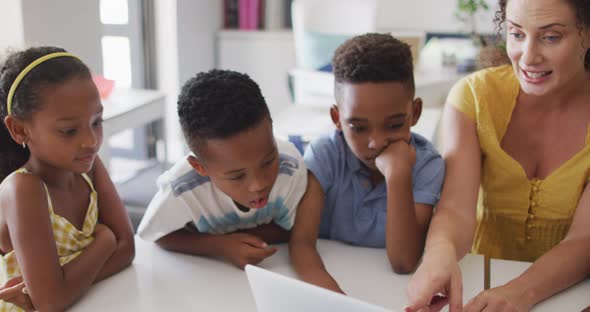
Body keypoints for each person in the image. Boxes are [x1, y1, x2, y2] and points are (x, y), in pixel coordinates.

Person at [406, 0, 590, 311]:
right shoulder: (474, 97)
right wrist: (440, 254)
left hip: (568, 296)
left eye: (551, 37)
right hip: (480, 281)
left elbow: (584, 238)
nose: (527, 56)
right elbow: (455, 209)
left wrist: (521, 292)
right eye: (517, 34)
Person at [289, 33, 445, 293]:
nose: (376, 142)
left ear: (415, 113)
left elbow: (404, 261)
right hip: (335, 283)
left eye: (394, 125)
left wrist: (397, 174)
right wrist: (333, 298)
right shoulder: (326, 154)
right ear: (337, 118)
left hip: (392, 290)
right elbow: (302, 243)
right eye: (358, 127)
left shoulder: (428, 165)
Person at [0, 47, 135, 311]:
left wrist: (62, 285)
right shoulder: (23, 188)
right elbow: (51, 302)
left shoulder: (90, 168)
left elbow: (128, 249)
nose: (91, 141)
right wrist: (105, 241)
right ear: (19, 129)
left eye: (97, 121)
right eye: (69, 130)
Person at [136, 70, 307, 269]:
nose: (259, 184)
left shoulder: (290, 166)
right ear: (199, 167)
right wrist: (218, 246)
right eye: (237, 176)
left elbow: (298, 228)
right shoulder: (181, 188)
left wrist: (233, 240)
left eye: (268, 162)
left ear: (271, 126)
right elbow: (159, 234)